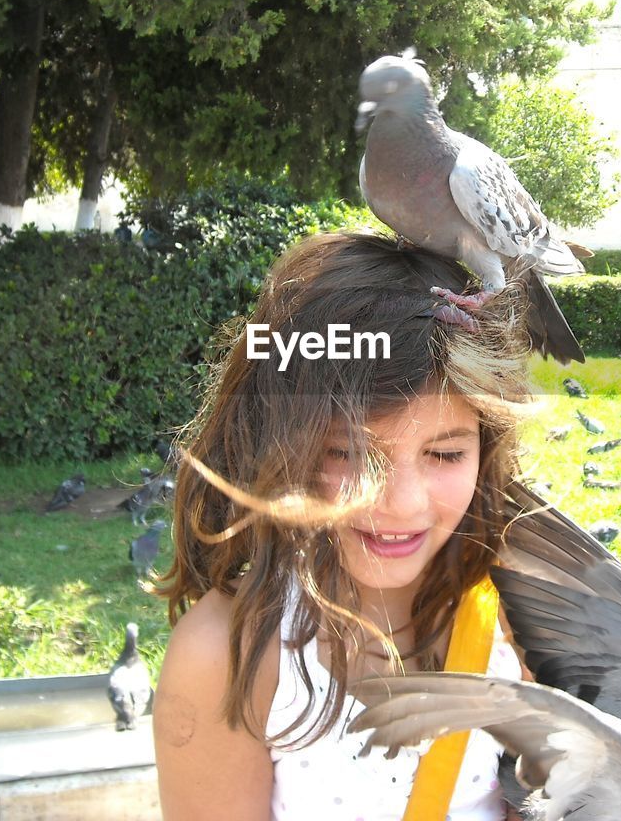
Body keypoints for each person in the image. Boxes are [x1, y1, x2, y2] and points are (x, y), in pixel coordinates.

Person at [154, 231, 535, 821]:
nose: (402, 504)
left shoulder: (527, 627)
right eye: (348, 453)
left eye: (445, 454)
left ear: (487, 450)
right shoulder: (228, 659)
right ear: (275, 445)